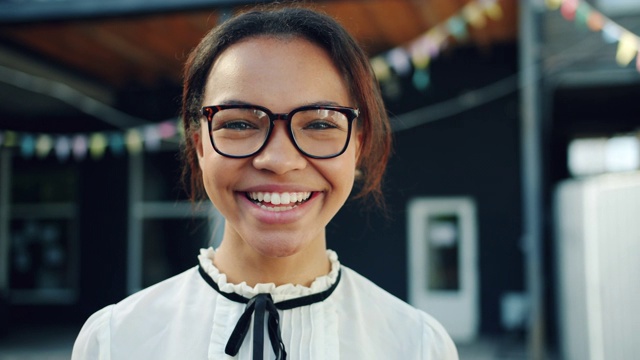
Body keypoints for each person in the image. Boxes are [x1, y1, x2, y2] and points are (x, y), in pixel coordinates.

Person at [72, 5, 458, 360]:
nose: (278, 160)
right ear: (200, 147)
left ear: (356, 148)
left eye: (320, 123)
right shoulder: (114, 340)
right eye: (238, 123)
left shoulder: (418, 345)